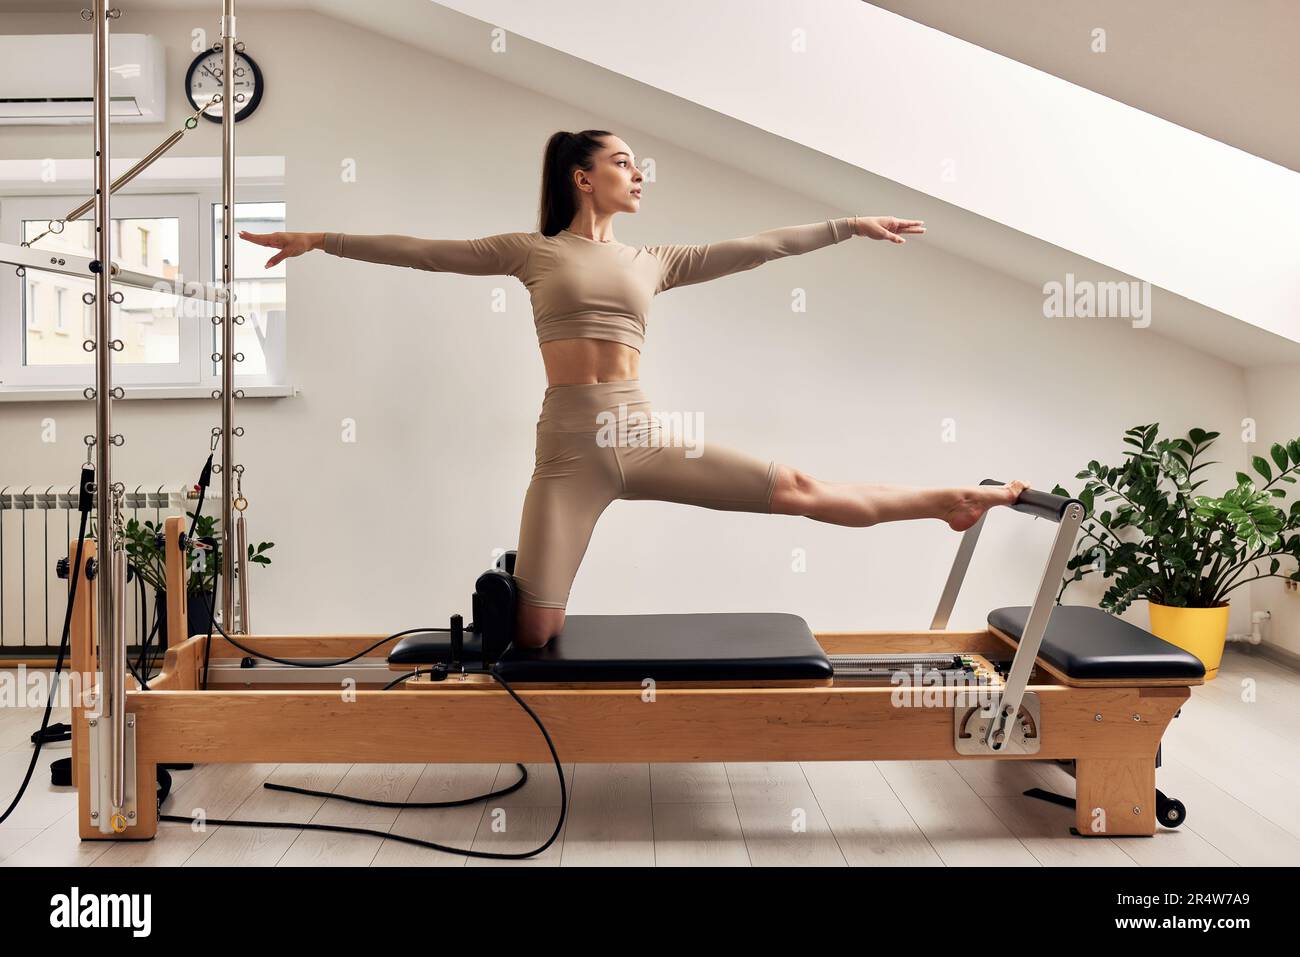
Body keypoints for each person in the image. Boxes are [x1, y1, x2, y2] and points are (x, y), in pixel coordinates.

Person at [241, 129, 1029, 648]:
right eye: (622, 161)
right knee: (536, 631)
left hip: (641, 436)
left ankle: (949, 500)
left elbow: (754, 248)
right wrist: (320, 240)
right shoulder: (533, 251)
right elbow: (427, 253)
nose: (637, 171)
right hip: (566, 454)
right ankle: (516, 577)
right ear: (582, 177)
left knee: (797, 487)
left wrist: (845, 226)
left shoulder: (654, 259)